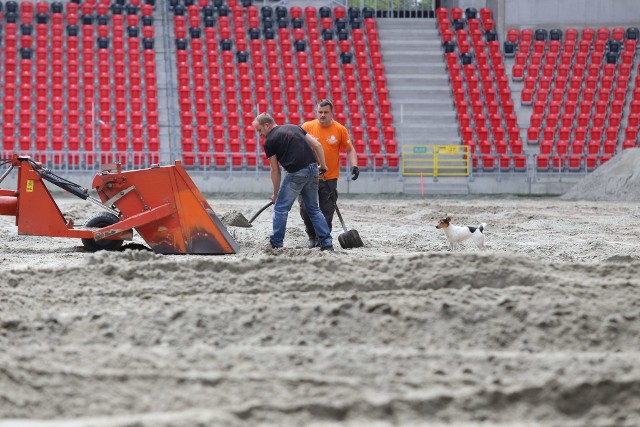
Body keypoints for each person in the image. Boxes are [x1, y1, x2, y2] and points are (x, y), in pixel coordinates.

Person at [252, 112, 334, 251]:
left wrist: (275, 194)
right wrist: (323, 166)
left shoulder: (269, 142)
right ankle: (326, 243)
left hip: (296, 172)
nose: (260, 135)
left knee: (280, 208)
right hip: (313, 169)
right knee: (314, 209)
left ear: (267, 125)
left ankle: (276, 243)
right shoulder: (295, 127)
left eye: (259, 130)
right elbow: (318, 145)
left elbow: (275, 171)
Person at [299, 99, 359, 248]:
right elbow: (297, 146)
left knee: (327, 210)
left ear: (332, 113)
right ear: (316, 112)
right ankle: (311, 236)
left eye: (326, 112)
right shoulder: (306, 127)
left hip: (330, 178)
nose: (322, 115)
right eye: (320, 112)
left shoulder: (340, 129)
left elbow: (350, 149)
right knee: (305, 209)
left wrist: (354, 165)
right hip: (308, 177)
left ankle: (323, 238)